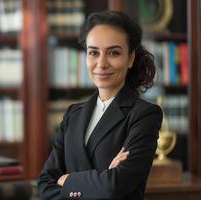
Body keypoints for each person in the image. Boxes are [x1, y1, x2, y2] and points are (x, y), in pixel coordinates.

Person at [38, 11, 163, 200]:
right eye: (93, 52)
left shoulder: (144, 115)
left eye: (113, 52)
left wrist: (67, 179)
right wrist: (101, 180)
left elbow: (115, 185)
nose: (101, 63)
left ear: (130, 58)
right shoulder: (73, 114)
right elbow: (45, 183)